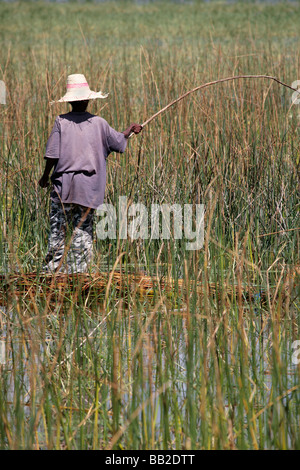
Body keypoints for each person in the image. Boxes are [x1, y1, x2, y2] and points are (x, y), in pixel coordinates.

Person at [39, 73, 142, 273]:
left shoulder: (61, 121)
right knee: (82, 234)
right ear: (87, 100)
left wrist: (44, 177)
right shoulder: (99, 123)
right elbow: (119, 143)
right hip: (89, 190)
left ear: (70, 102)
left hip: (64, 189)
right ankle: (78, 277)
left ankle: (51, 276)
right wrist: (129, 130)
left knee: (58, 235)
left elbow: (52, 155)